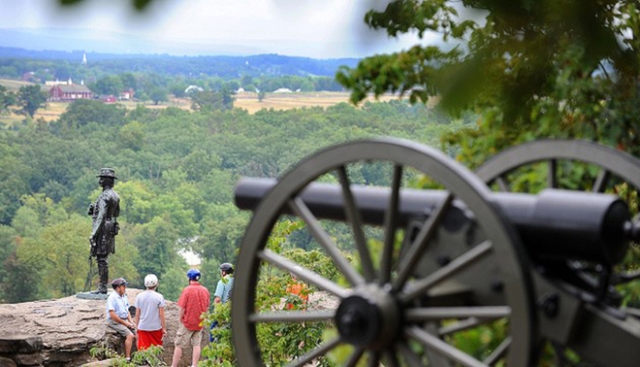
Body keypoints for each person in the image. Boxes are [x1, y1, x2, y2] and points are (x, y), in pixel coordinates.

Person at [88, 168, 120, 294]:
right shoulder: (115, 196)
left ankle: (102, 287)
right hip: (110, 227)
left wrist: (94, 233)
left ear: (105, 181)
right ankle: (102, 286)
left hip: (103, 229)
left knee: (101, 258)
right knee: (103, 257)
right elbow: (116, 213)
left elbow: (101, 216)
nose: (99, 181)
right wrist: (94, 208)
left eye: (101, 178)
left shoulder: (104, 196)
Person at [171, 269, 210, 367]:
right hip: (199, 322)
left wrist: (180, 320)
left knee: (179, 344)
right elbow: (207, 307)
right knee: (197, 344)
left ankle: (174, 365)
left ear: (189, 278)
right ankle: (194, 365)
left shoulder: (187, 290)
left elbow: (182, 307)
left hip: (188, 322)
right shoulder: (205, 290)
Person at [106, 278, 135, 362]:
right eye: (123, 286)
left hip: (124, 319)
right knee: (130, 335)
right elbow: (112, 315)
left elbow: (127, 310)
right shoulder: (112, 298)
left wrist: (131, 322)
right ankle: (128, 358)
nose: (125, 288)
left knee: (138, 333)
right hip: (114, 321)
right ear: (118, 288)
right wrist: (126, 324)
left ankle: (141, 354)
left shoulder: (124, 296)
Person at [134, 274, 166, 350]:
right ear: (156, 284)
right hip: (156, 327)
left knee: (143, 348)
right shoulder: (159, 297)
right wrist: (164, 328)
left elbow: (137, 314)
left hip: (143, 327)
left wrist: (136, 326)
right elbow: (161, 314)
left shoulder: (139, 296)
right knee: (156, 348)